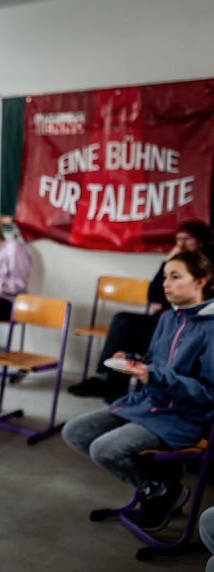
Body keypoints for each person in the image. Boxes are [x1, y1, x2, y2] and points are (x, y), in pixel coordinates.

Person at [62, 249, 214, 533]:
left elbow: (208, 393)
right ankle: (161, 487)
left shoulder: (211, 328)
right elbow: (156, 362)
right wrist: (134, 360)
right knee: (75, 432)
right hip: (147, 404)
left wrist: (153, 374)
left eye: (175, 277)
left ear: (201, 281)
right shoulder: (169, 318)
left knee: (103, 449)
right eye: (165, 276)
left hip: (182, 417)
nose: (165, 284)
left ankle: (161, 489)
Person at [68, 220, 214, 402]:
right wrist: (168, 262)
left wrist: (168, 299)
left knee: (132, 338)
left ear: (200, 241)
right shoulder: (178, 261)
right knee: (123, 321)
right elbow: (154, 293)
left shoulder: (206, 264)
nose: (181, 244)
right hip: (166, 316)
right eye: (178, 239)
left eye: (187, 239)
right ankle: (107, 381)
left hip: (187, 322)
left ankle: (114, 390)